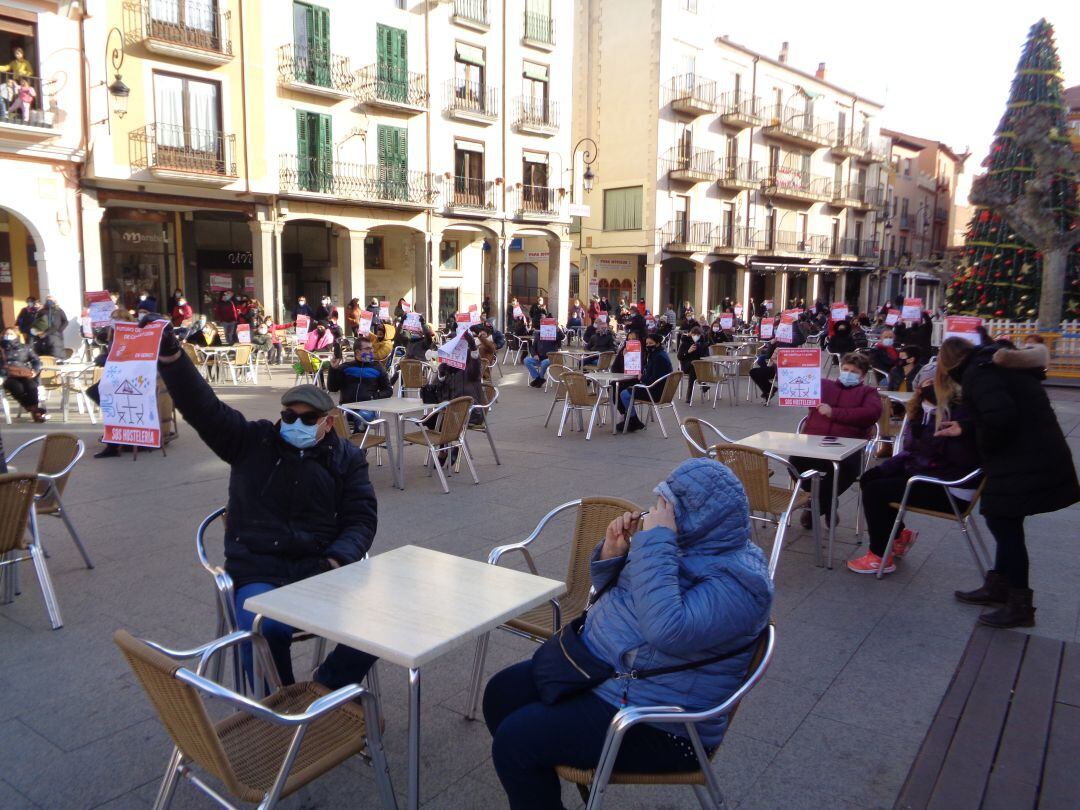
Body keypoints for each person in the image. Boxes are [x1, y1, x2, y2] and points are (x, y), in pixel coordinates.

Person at [483, 458, 772, 810]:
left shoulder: (743, 586)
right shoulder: (683, 546)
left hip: (664, 721)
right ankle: (543, 786)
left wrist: (657, 543)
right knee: (500, 695)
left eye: (666, 509)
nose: (654, 513)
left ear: (700, 522)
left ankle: (540, 769)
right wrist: (612, 554)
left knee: (516, 743)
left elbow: (666, 629)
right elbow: (618, 600)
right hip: (607, 672)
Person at [152, 320, 378, 689]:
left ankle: (325, 687)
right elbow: (204, 408)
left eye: (308, 419)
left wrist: (336, 559)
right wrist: (173, 359)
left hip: (320, 567)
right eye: (289, 416)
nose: (296, 424)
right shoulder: (251, 441)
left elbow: (362, 519)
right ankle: (281, 706)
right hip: (259, 569)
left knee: (384, 620)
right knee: (265, 626)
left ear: (328, 422)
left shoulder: (346, 458)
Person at [943, 337, 1079, 628]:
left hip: (1022, 457)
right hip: (1035, 451)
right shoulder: (992, 366)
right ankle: (999, 585)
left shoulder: (978, 373)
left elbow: (1001, 418)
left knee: (1004, 524)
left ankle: (1020, 604)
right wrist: (966, 426)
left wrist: (986, 448)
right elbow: (1001, 409)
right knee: (1003, 521)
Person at [848, 349, 980, 575]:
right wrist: (887, 468)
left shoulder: (956, 413)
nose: (925, 387)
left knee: (878, 492)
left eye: (932, 382)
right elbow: (911, 452)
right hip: (930, 474)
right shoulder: (923, 410)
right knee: (871, 478)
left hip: (951, 488)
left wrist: (906, 467)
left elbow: (939, 457)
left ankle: (880, 555)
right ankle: (897, 536)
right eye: (922, 383)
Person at [789, 353, 881, 527]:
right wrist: (782, 364)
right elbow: (793, 382)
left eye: (854, 371)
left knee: (847, 468)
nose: (848, 373)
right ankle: (826, 501)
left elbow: (871, 414)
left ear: (862, 376)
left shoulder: (868, 392)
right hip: (815, 444)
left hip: (848, 448)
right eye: (845, 369)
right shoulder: (823, 385)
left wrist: (834, 413)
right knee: (794, 462)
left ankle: (815, 506)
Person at [327, 336, 393, 422]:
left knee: (363, 416)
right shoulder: (345, 368)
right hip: (346, 409)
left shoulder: (378, 368)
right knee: (328, 418)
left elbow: (388, 391)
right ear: (358, 352)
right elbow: (332, 388)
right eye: (368, 349)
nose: (371, 351)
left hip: (367, 409)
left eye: (372, 348)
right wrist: (333, 369)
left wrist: (373, 396)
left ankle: (357, 435)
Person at [618, 332, 673, 432]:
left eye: (650, 344)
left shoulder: (658, 357)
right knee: (627, 388)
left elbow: (654, 379)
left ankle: (633, 420)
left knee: (624, 394)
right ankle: (632, 420)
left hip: (655, 392)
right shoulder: (658, 354)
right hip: (660, 390)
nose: (648, 346)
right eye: (647, 344)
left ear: (657, 343)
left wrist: (642, 378)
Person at [1, 328, 46, 422]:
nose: (8, 335)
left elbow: (36, 360)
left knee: (32, 386)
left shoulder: (25, 347)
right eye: (6, 334)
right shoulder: (1, 348)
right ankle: (36, 411)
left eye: (11, 333)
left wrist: (35, 370)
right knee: (18, 388)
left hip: (23, 373)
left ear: (16, 335)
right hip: (7, 375)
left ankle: (33, 409)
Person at [524, 322, 564, 388]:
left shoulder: (554, 335)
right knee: (526, 360)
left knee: (545, 362)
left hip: (550, 358)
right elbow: (533, 348)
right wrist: (534, 355)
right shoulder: (538, 335)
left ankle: (540, 378)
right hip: (539, 358)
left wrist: (558, 330)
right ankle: (538, 378)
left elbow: (562, 337)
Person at [676, 325, 707, 405]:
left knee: (695, 368)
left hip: (699, 366)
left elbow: (706, 356)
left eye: (698, 335)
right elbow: (679, 356)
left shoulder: (702, 343)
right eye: (694, 334)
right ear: (690, 334)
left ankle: (690, 394)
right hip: (686, 365)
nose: (696, 336)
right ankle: (702, 383)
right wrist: (688, 351)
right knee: (693, 366)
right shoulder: (685, 342)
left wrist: (700, 349)